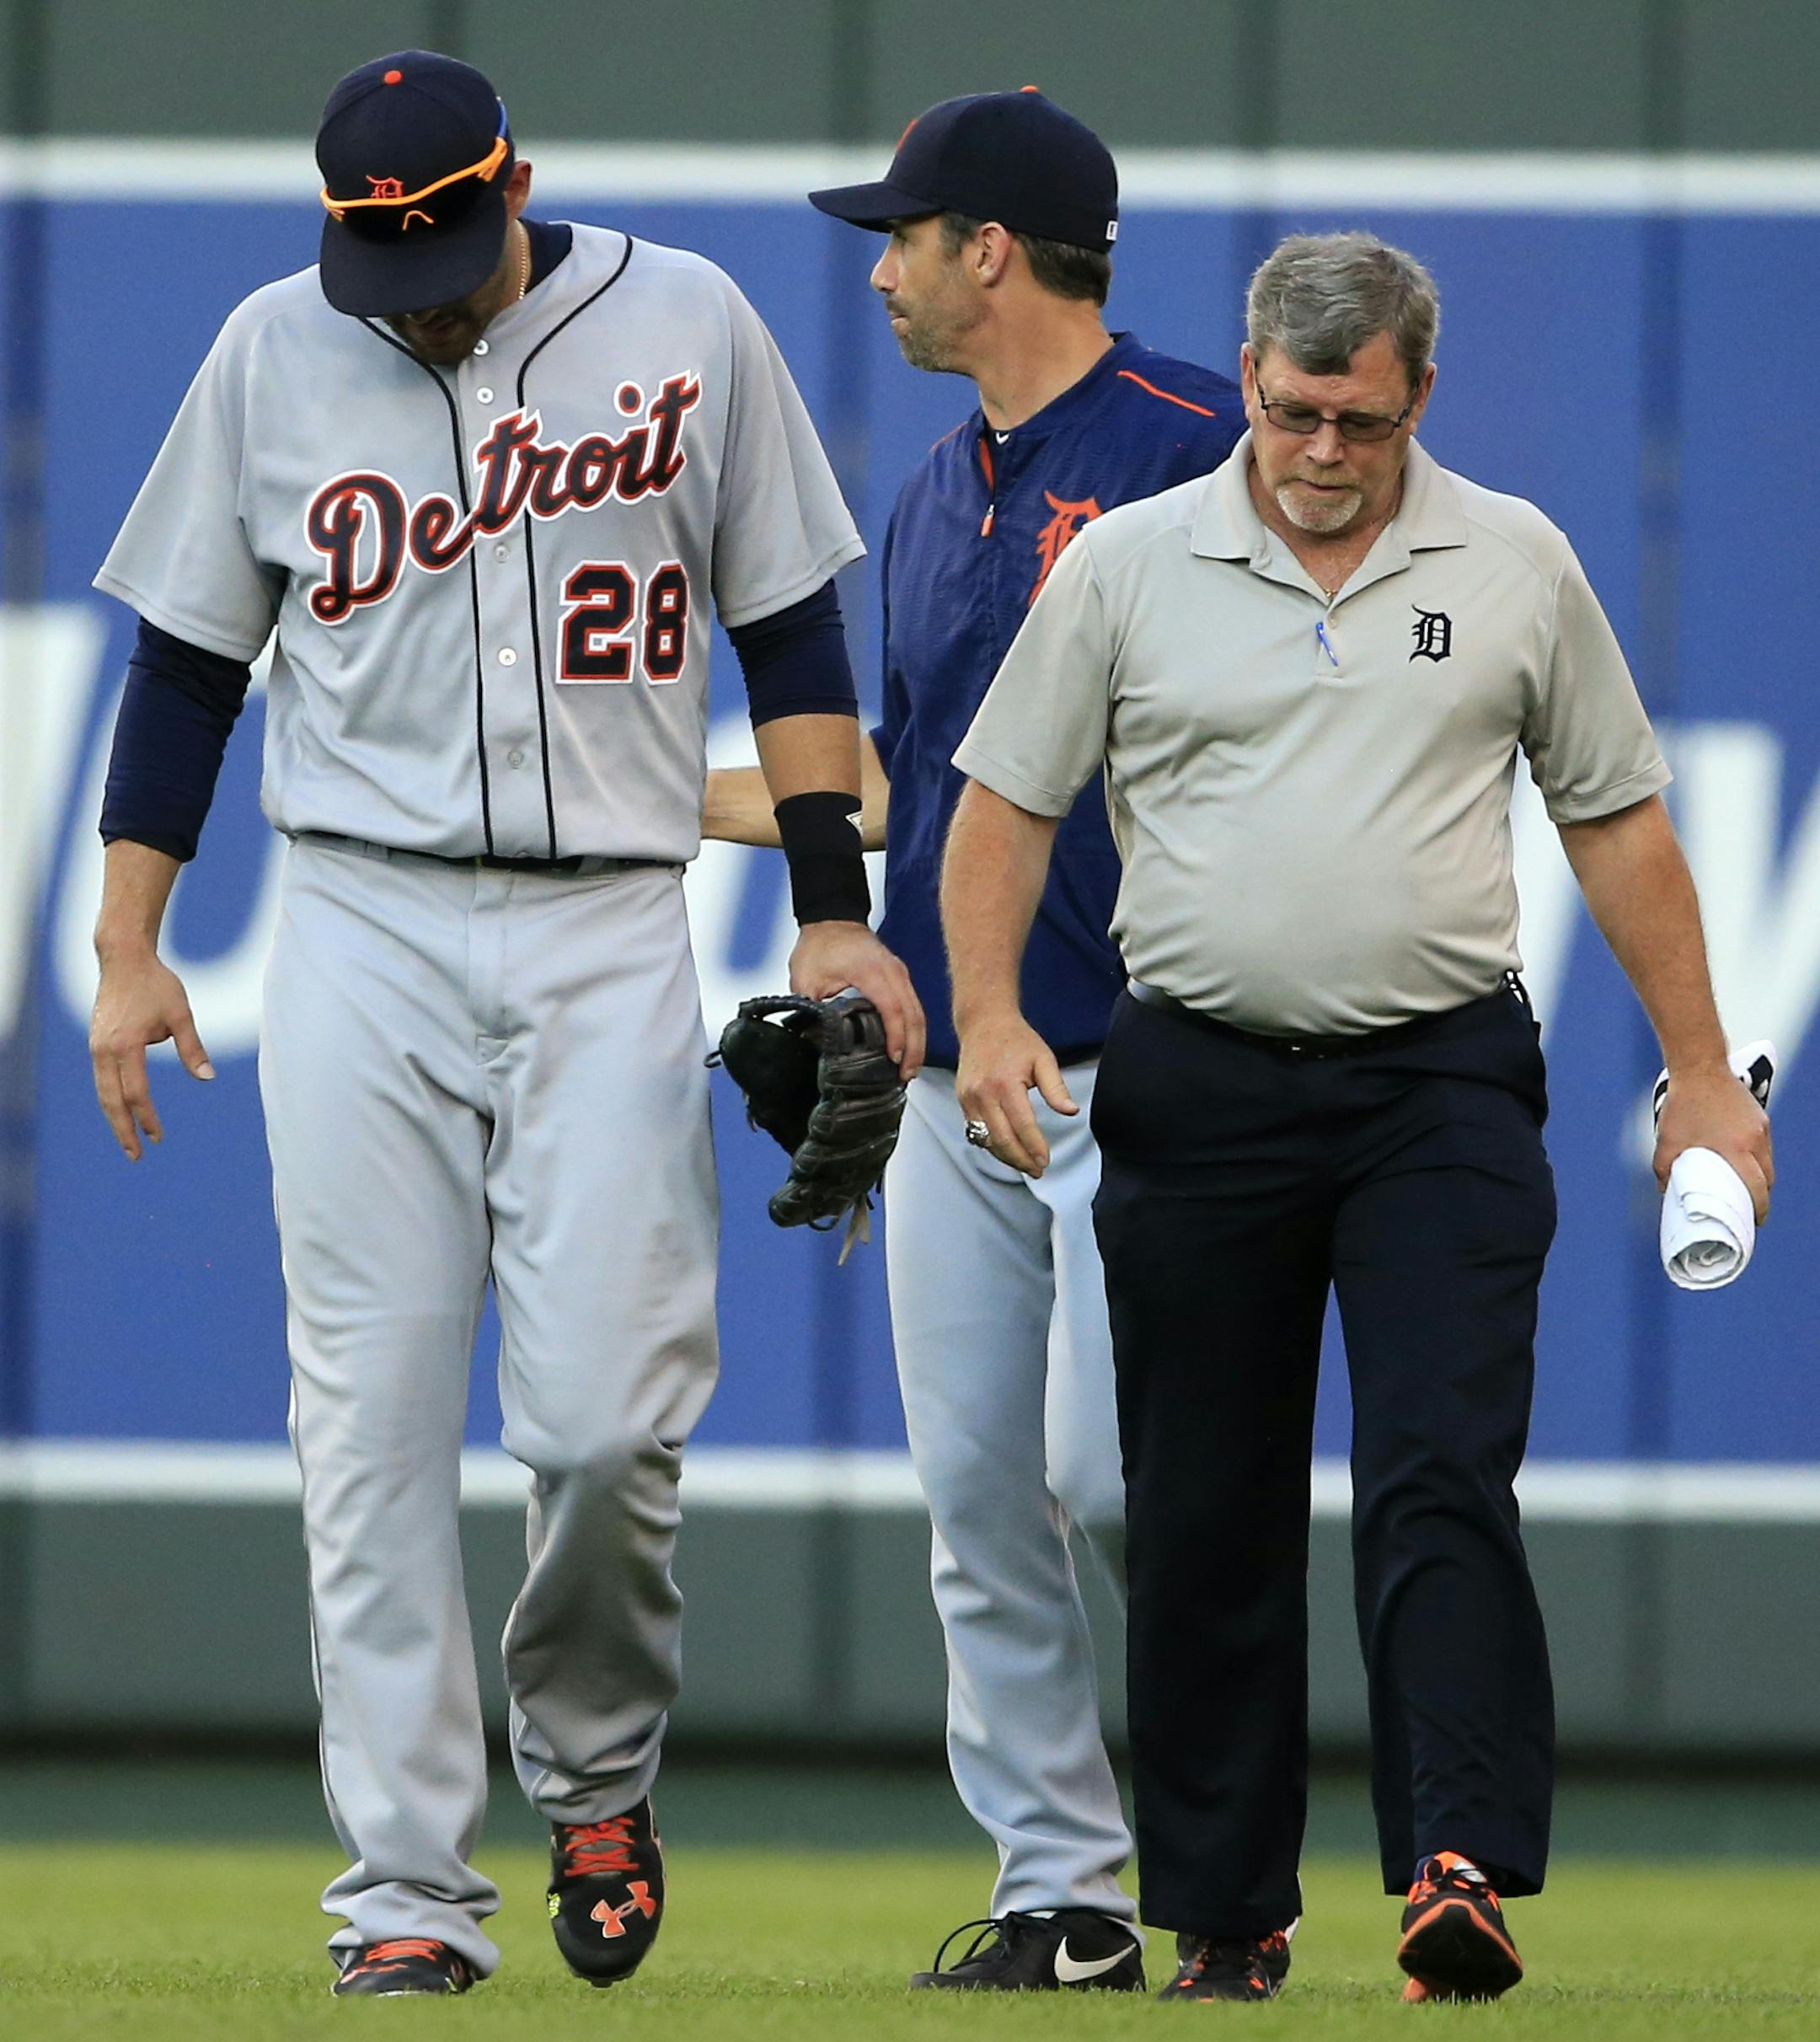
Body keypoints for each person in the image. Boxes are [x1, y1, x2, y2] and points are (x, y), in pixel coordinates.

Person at [87, 49, 919, 1998]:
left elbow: (792, 627)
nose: (427, 292)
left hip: (611, 918)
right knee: (366, 1435)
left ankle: (598, 1768)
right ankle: (401, 1895)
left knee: (608, 1426)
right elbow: (188, 665)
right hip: (359, 919)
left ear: (515, 184)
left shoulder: (687, 321)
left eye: (449, 248)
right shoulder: (273, 352)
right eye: (386, 260)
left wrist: (830, 919)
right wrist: (134, 944)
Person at [940, 230, 1772, 2004]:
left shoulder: (1518, 560)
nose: (1326, 451)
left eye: (1363, 422)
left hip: (1437, 1083)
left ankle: (1455, 1862)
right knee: (1203, 1506)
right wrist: (994, 1015)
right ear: (1249, 383)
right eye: (1298, 412)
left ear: (1420, 401)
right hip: (1198, 1075)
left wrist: (1702, 1065)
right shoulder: (1134, 566)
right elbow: (1004, 803)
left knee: (1438, 1474)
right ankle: (1231, 1916)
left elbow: (1616, 820)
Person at [703, 89, 1243, 1993]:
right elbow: (900, 769)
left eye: (906, 235)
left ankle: (1219, 1862)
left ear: (989, 251)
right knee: (979, 1501)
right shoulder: (942, 483)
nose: (885, 268)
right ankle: (1066, 1896)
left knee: (1112, 1478)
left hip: (1148, 1057)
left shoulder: (1211, 445)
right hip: (949, 1072)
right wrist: (636, 797)